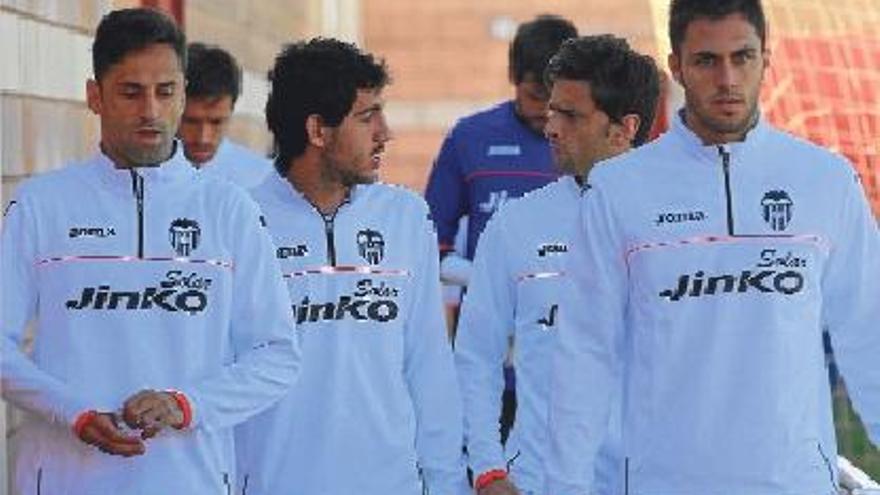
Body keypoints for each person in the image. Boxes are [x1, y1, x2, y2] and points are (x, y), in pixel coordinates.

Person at [546, 0, 880, 494]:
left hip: (794, 483)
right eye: (706, 60)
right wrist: (566, 486)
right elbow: (584, 355)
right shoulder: (618, 189)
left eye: (742, 57)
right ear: (675, 65)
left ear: (767, 58)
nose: (727, 78)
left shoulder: (824, 181)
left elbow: (868, 335)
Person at [0, 9, 300, 495]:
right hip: (64, 479)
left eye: (166, 92)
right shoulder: (41, 205)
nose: (151, 111)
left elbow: (277, 356)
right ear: (94, 96)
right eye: (131, 92)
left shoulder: (229, 210)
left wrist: (187, 405)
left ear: (182, 94)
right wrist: (71, 411)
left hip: (191, 481)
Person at [235, 38, 465, 495]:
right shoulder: (241, 221)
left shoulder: (405, 216)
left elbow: (429, 366)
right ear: (318, 130)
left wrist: (447, 483)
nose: (385, 132)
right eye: (367, 117)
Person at [455, 35, 660, 495]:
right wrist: (488, 470)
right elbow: (474, 355)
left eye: (570, 115)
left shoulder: (680, 227)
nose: (550, 126)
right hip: (538, 482)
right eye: (552, 110)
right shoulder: (517, 222)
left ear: (623, 128)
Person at [424, 14, 577, 288]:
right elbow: (428, 246)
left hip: (571, 322)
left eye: (557, 103)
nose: (545, 112)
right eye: (535, 97)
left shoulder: (599, 143)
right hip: (487, 323)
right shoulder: (469, 137)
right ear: (512, 75)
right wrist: (491, 283)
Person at [178, 41, 273, 187]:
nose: (203, 138)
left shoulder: (261, 180)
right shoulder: (138, 171)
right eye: (191, 121)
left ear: (232, 109)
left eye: (216, 122)